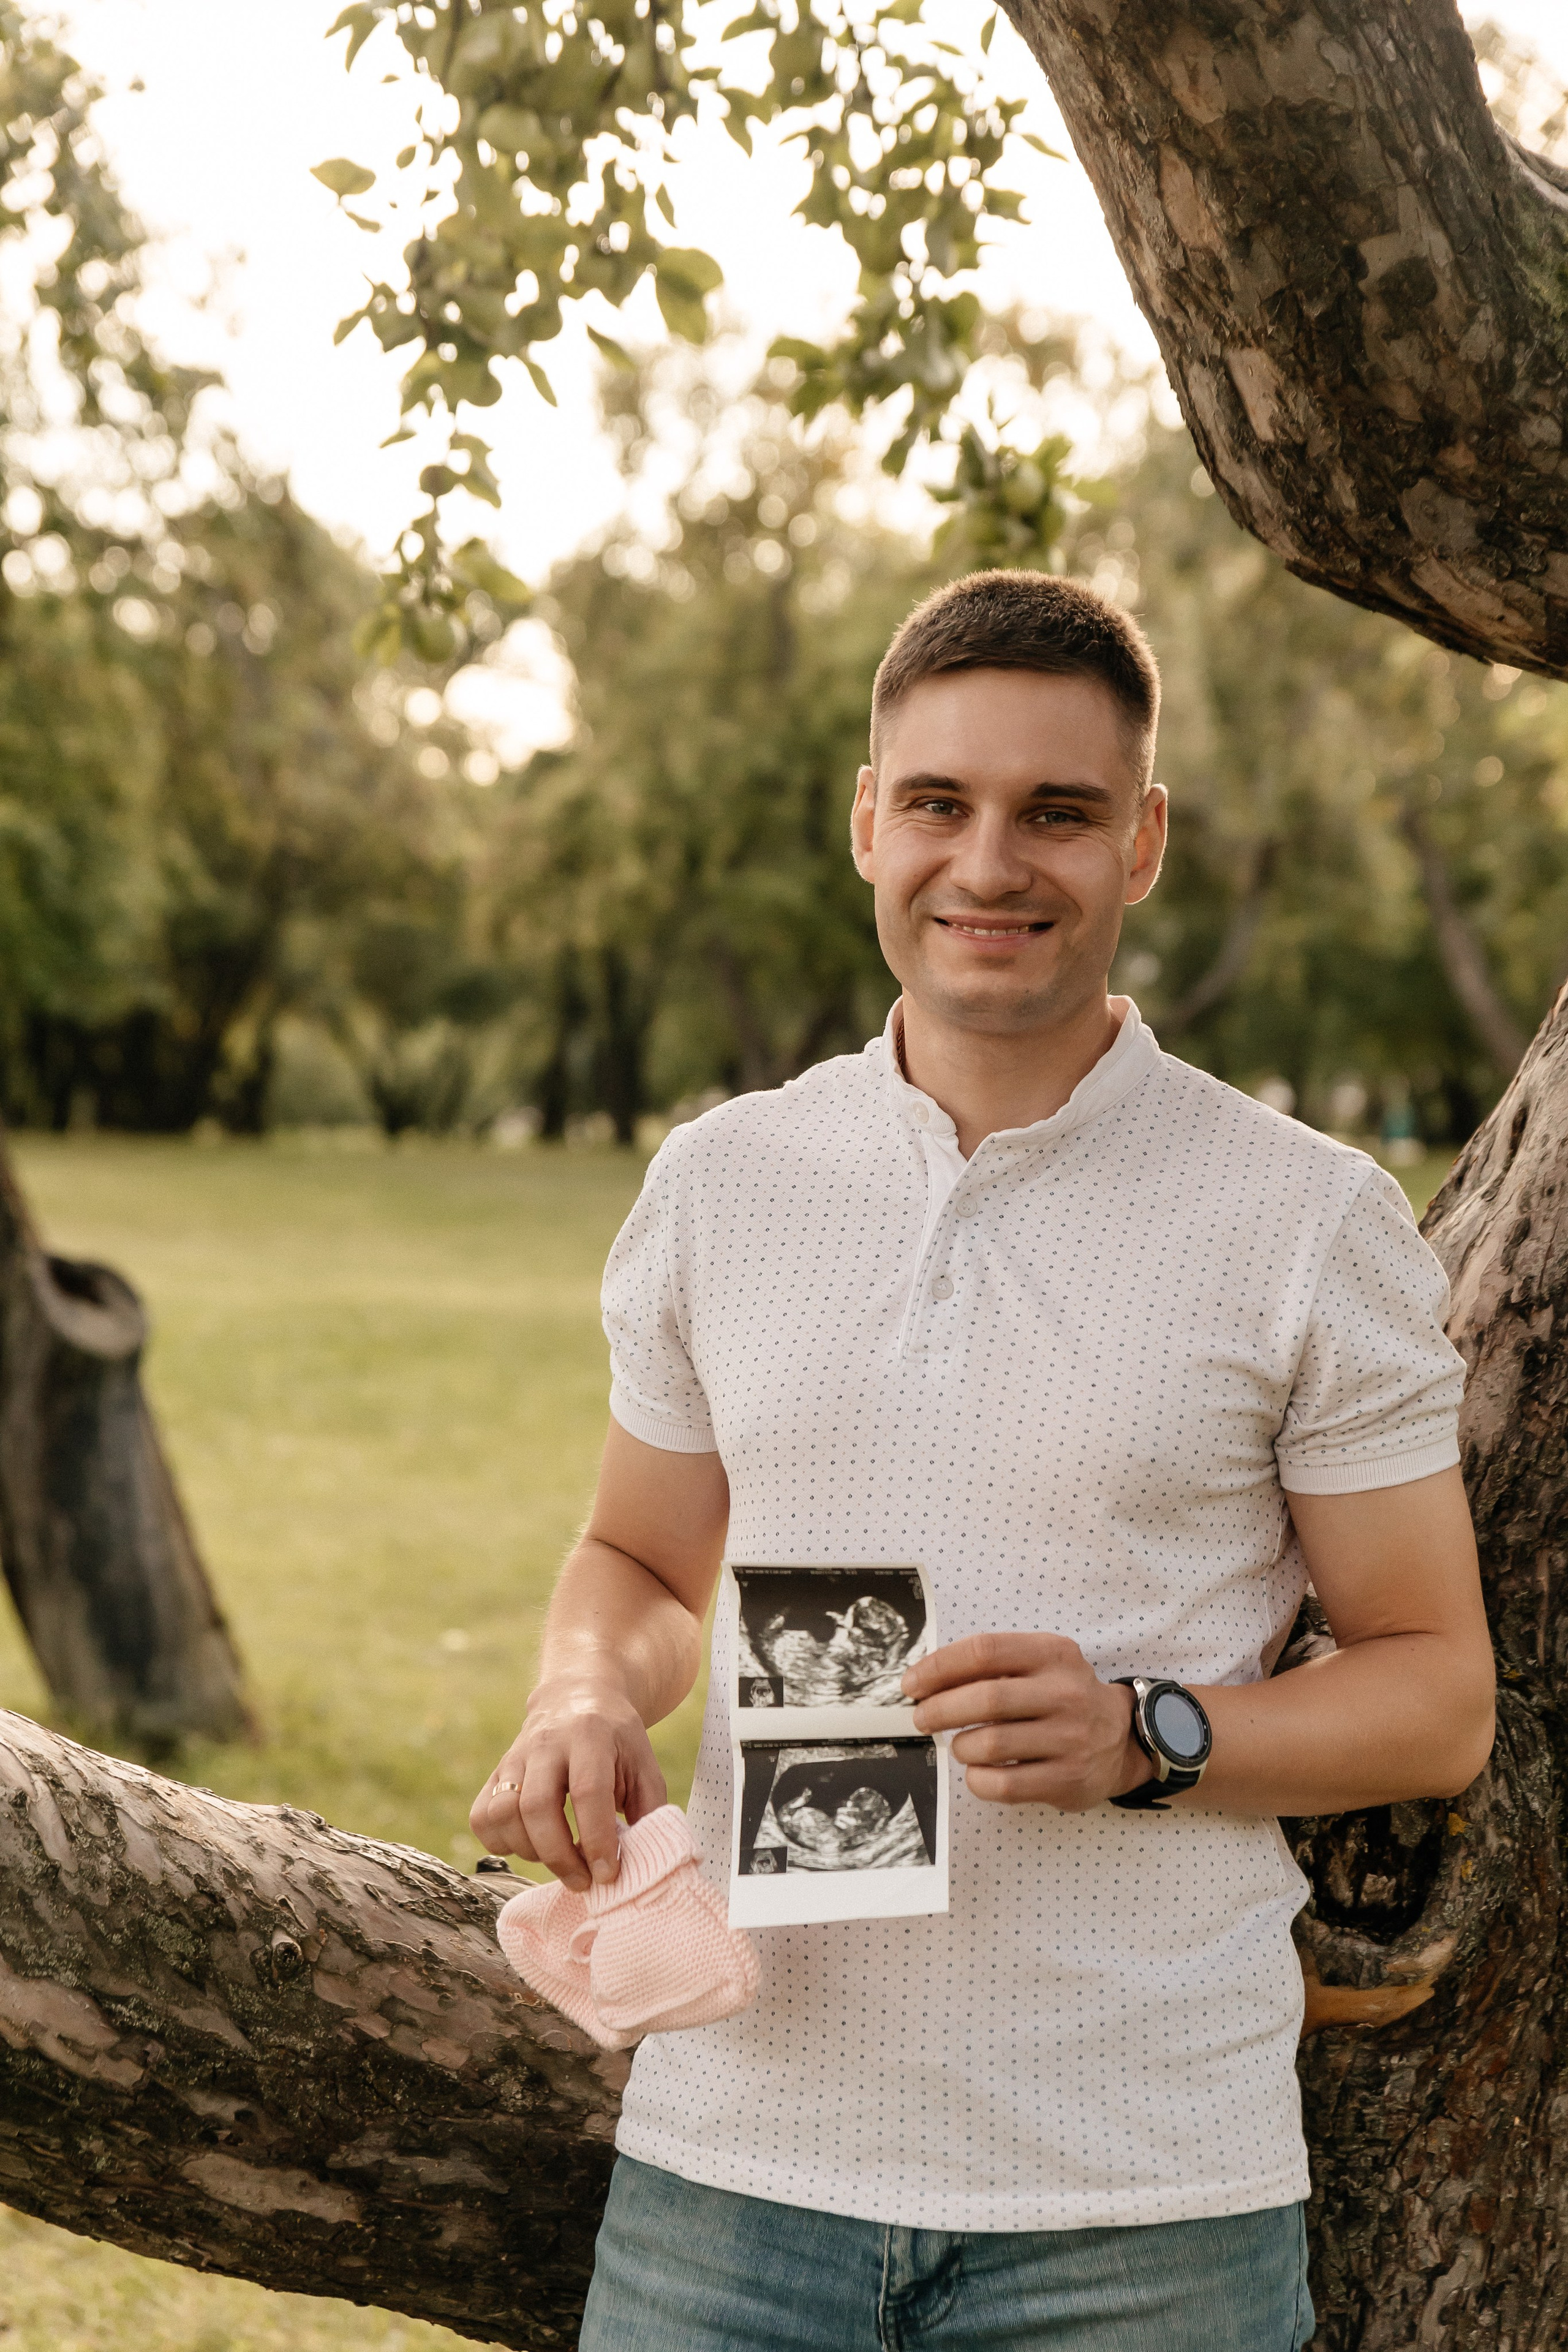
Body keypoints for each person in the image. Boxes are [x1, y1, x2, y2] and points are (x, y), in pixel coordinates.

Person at [473, 570, 1495, 2351]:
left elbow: (1435, 1695)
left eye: (1061, 813)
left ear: (1145, 842)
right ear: (869, 822)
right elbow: (640, 1568)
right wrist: (580, 1695)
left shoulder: (1306, 1220)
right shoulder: (723, 1184)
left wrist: (1151, 1734)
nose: (992, 863)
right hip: (739, 2154)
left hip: (1144, 2206)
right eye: (941, 803)